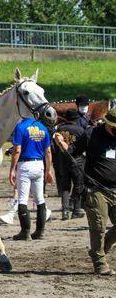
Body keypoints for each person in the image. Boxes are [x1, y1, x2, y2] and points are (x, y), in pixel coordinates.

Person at [54, 107, 116, 275]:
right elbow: (73, 151)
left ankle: (100, 250)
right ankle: (100, 263)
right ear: (108, 124)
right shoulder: (91, 134)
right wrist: (62, 144)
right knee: (98, 227)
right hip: (96, 189)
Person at [9, 117, 54, 241]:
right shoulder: (42, 127)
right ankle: (40, 231)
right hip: (39, 164)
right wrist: (48, 170)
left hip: (25, 164)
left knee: (23, 199)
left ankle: (25, 231)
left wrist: (12, 169)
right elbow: (48, 151)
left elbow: (17, 150)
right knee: (40, 199)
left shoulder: (20, 127)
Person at [54, 109, 86, 220]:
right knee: (78, 185)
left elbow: (56, 145)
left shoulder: (59, 129)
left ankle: (65, 211)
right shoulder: (80, 130)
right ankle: (76, 209)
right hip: (77, 160)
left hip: (63, 160)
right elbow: (83, 146)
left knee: (65, 186)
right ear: (77, 118)